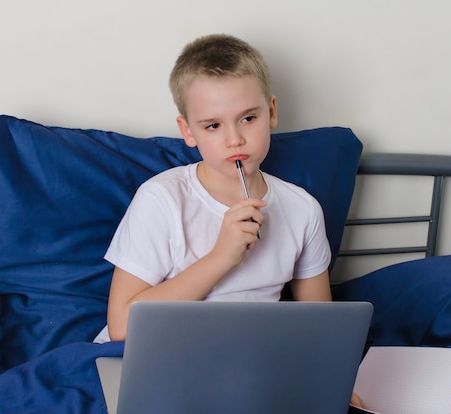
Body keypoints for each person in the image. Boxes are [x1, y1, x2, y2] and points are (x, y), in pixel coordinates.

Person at [94, 32, 364, 410]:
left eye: (248, 118)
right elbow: (123, 326)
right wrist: (221, 257)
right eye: (213, 126)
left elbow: (319, 324)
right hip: (158, 363)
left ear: (271, 112)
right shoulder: (162, 199)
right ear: (187, 131)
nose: (235, 140)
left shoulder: (302, 209)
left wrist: (334, 378)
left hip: (248, 370)